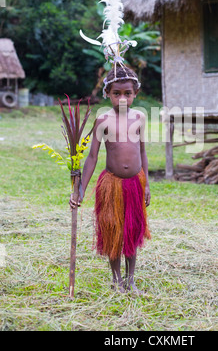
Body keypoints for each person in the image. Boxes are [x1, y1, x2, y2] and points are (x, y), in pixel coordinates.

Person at [69, 64, 151, 294]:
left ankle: (130, 280)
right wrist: (80, 189)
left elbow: (142, 153)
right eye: (117, 93)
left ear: (135, 93)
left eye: (128, 93)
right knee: (114, 231)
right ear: (107, 94)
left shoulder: (140, 117)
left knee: (132, 232)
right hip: (111, 184)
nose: (122, 98)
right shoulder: (103, 119)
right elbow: (92, 156)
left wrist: (146, 185)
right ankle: (116, 281)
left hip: (135, 183)